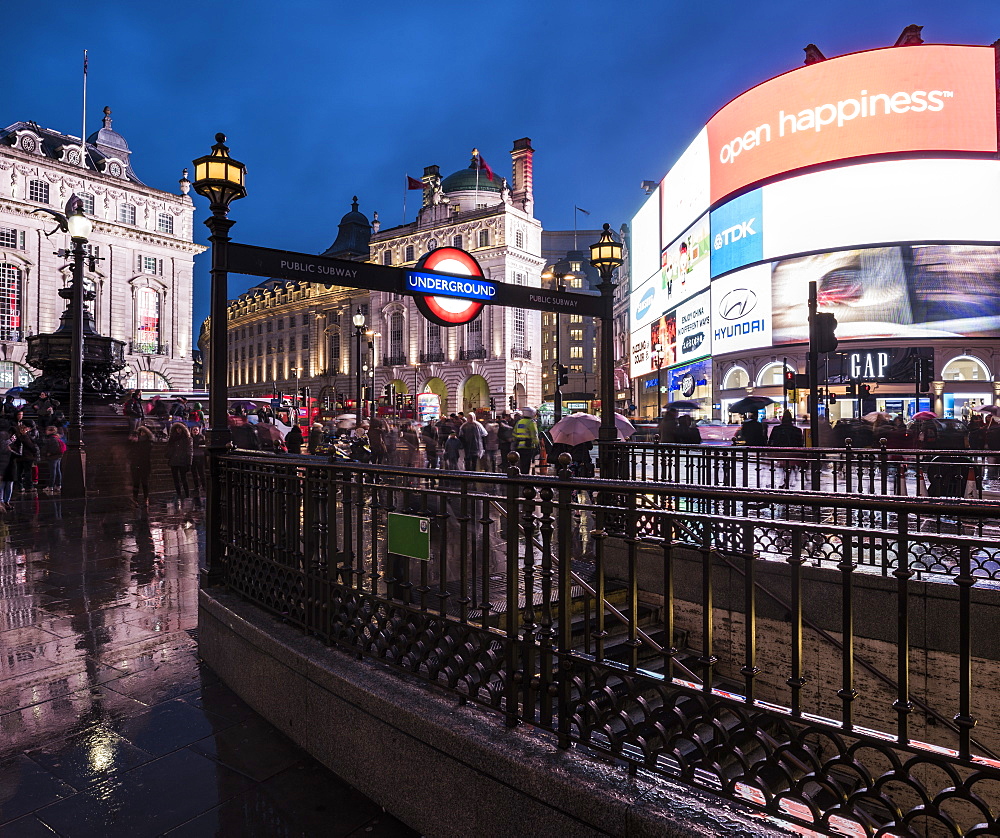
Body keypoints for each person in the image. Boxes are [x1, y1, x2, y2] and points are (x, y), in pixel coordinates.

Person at [767, 411, 803, 488]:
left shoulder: (776, 429)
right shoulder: (796, 430)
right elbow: (800, 443)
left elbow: (771, 441)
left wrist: (769, 450)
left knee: (783, 467)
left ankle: (785, 480)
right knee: (790, 466)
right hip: (792, 452)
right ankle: (787, 480)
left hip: (780, 452)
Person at [166, 422, 193, 500]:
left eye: (180, 428)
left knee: (183, 478)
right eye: (177, 428)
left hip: (183, 460)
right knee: (175, 479)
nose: (178, 430)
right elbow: (168, 448)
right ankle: (178, 493)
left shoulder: (187, 438)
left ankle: (187, 494)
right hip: (174, 460)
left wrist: (189, 462)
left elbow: (190, 451)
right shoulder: (172, 438)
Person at [128, 426, 154, 506]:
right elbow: (130, 452)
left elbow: (146, 451)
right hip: (135, 464)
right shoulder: (135, 443)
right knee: (136, 482)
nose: (141, 434)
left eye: (143, 433)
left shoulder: (148, 443)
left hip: (145, 464)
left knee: (144, 482)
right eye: (141, 433)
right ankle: (135, 498)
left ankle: (146, 498)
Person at [12, 419, 38, 495]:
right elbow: (30, 445)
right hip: (27, 456)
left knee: (19, 472)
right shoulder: (24, 435)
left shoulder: (16, 434)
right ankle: (29, 487)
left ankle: (20, 486)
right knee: (27, 472)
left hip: (19, 456)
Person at [513, 407, 540, 474]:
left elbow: (514, 434)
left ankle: (521, 475)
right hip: (528, 446)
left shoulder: (519, 422)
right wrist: (537, 445)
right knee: (527, 463)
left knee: (521, 462)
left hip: (519, 445)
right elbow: (534, 435)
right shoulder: (531, 423)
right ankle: (526, 478)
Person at [41, 425, 65, 494]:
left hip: (53, 457)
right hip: (58, 456)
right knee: (58, 470)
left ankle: (51, 486)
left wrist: (49, 453)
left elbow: (52, 448)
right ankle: (58, 485)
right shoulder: (57, 438)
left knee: (53, 471)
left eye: (48, 430)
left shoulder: (51, 439)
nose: (46, 432)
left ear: (51, 431)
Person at [190, 425, 207, 494]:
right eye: (194, 430)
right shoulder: (190, 438)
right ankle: (196, 486)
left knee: (201, 472)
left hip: (200, 457)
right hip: (192, 457)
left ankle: (204, 486)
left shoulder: (201, 438)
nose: (195, 431)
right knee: (194, 473)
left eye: (196, 430)